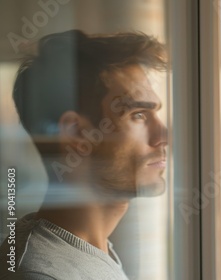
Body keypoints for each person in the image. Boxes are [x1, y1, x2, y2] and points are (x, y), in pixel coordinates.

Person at [0, 30, 168, 279]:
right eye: (138, 115)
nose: (163, 135)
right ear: (77, 134)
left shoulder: (92, 253)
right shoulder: (41, 273)